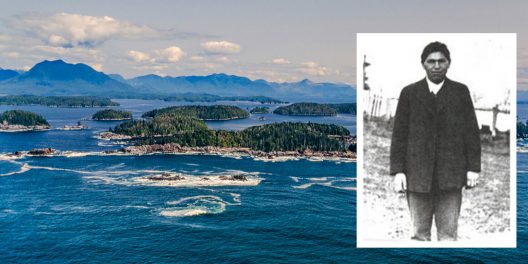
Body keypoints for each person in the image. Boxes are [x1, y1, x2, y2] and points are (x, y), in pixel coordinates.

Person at [389, 41, 481, 241]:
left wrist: (473, 167)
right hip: (417, 176)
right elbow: (399, 135)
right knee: (419, 235)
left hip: (451, 176)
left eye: (441, 61)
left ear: (449, 63)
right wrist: (398, 171)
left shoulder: (460, 92)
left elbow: (471, 132)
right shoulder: (409, 93)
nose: (436, 66)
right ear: (423, 64)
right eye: (431, 61)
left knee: (448, 236)